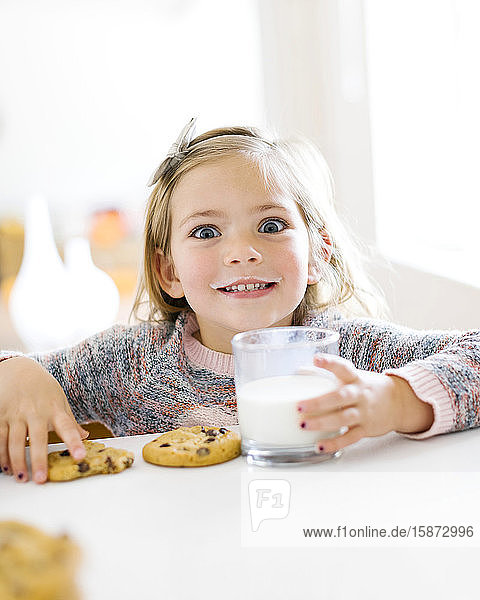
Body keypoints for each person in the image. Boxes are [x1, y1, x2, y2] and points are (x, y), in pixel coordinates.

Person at [1, 118, 479, 485]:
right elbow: (21, 383)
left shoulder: (351, 354)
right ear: (170, 273)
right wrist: (13, 370)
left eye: (270, 226)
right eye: (206, 232)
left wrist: (395, 399)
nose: (242, 251)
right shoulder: (129, 364)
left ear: (316, 255)